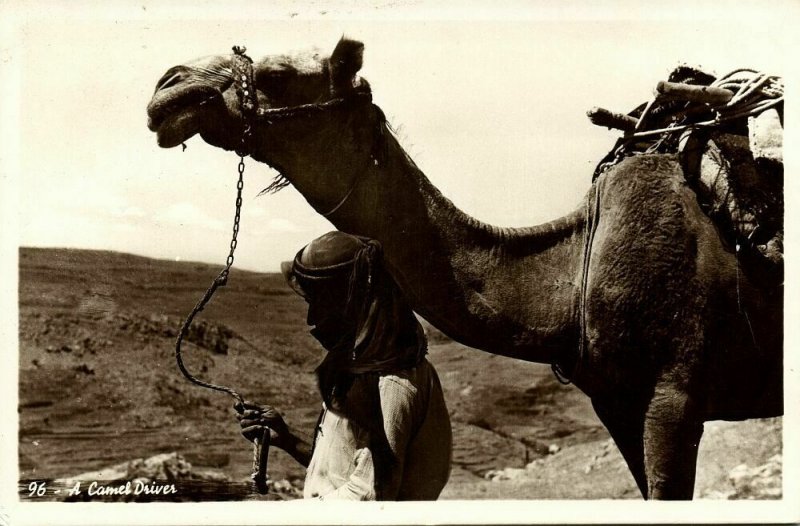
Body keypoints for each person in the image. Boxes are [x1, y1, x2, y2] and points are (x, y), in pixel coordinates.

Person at [235, 231, 452, 500]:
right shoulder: (367, 368)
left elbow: (367, 496)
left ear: (351, 303)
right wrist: (287, 437)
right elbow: (344, 468)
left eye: (319, 303)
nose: (311, 317)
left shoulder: (390, 384)